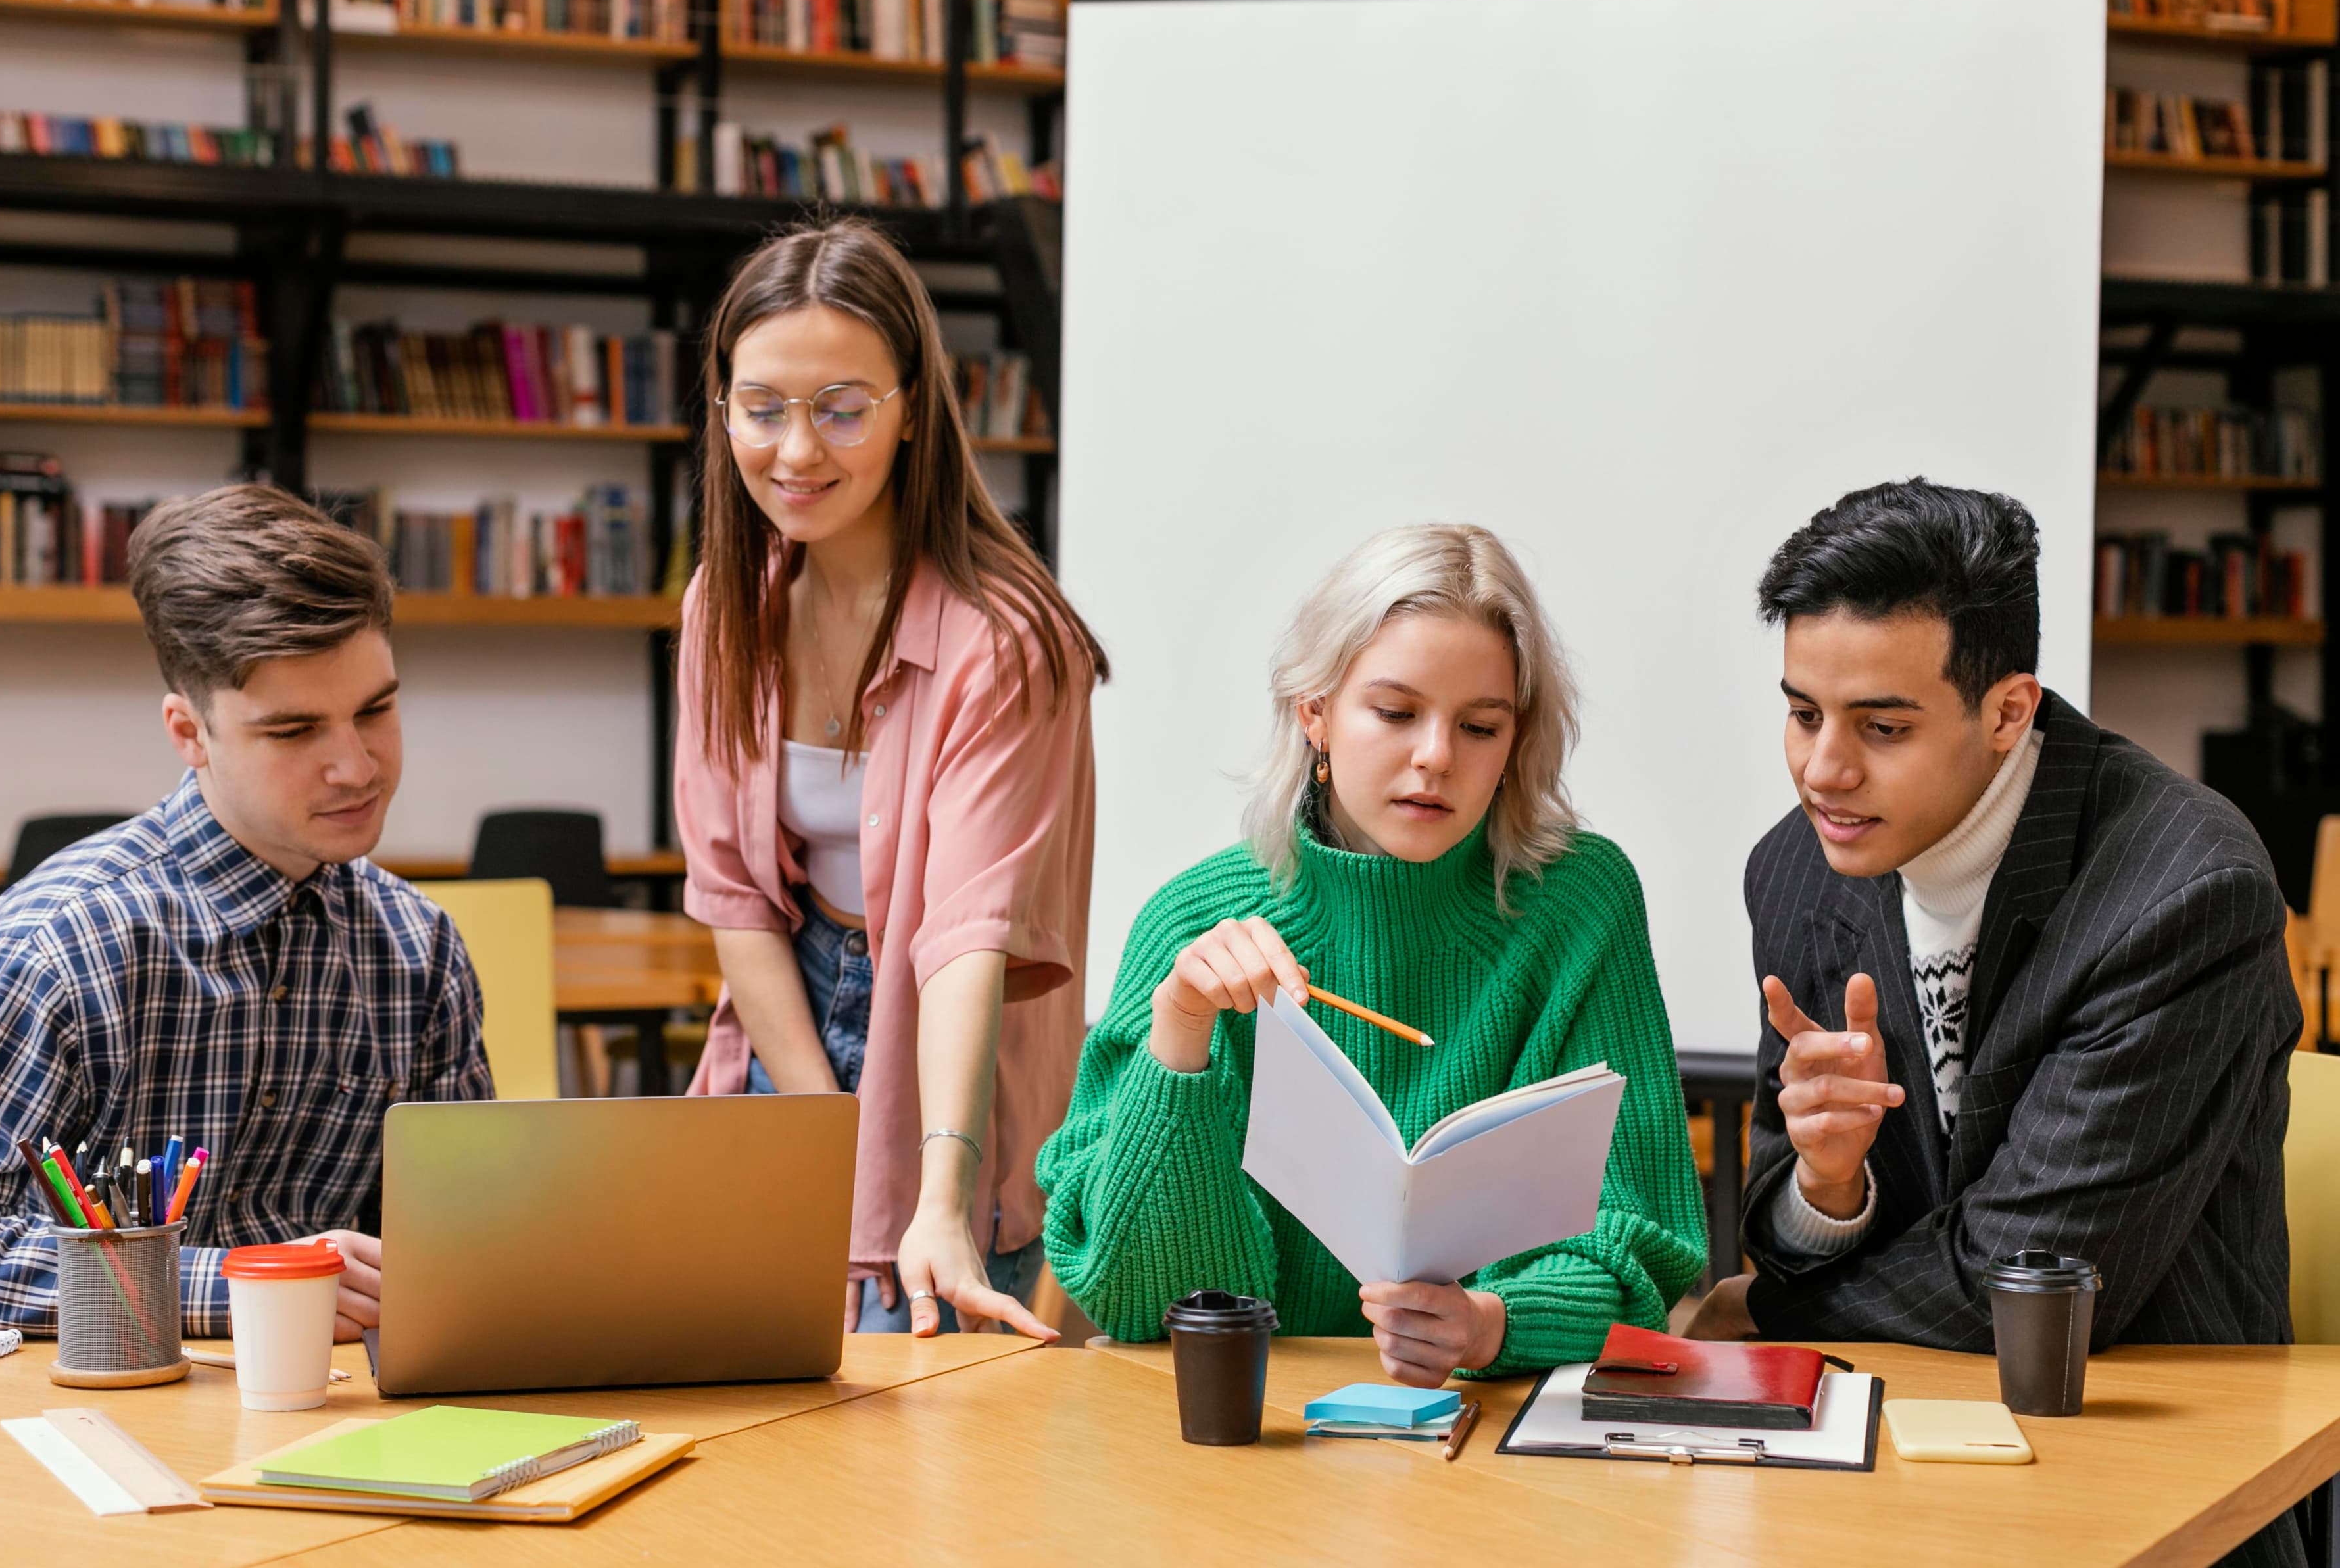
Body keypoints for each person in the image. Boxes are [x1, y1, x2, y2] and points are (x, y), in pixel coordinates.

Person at [1686, 480, 2299, 1563]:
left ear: (2010, 710)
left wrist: (1771, 1307)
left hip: (2151, 1487)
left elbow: (2039, 1286)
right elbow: (1785, 1218)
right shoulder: (1793, 872)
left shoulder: (2184, 889)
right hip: (1879, 1474)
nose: (1823, 769)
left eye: (1883, 727)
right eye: (1802, 712)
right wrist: (1829, 1192)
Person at [1036, 524, 1705, 1382]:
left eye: (1480, 727)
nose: (1436, 757)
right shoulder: (1190, 923)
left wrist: (1490, 1326)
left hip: (1495, 1433)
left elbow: (1639, 1241)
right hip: (1255, 1442)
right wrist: (1179, 1039)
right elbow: (1137, 1302)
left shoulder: (1580, 902)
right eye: (1395, 713)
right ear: (1314, 712)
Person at [0, 485, 493, 1340]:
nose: (355, 767)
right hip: (92, 1427)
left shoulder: (419, 950)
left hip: (332, 1431)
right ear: (189, 733)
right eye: (294, 732)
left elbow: (468, 1251)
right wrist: (245, 1286)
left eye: (375, 709)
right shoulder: (62, 944)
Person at [675, 218, 1107, 1341]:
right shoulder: (724, 605)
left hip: (949, 1038)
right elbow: (734, 898)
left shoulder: (1003, 640)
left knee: (935, 1444)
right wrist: (824, 1128)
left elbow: (967, 935)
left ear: (913, 407)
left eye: (842, 408)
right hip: (791, 1020)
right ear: (722, 410)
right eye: (762, 407)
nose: (797, 451)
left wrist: (939, 1192)